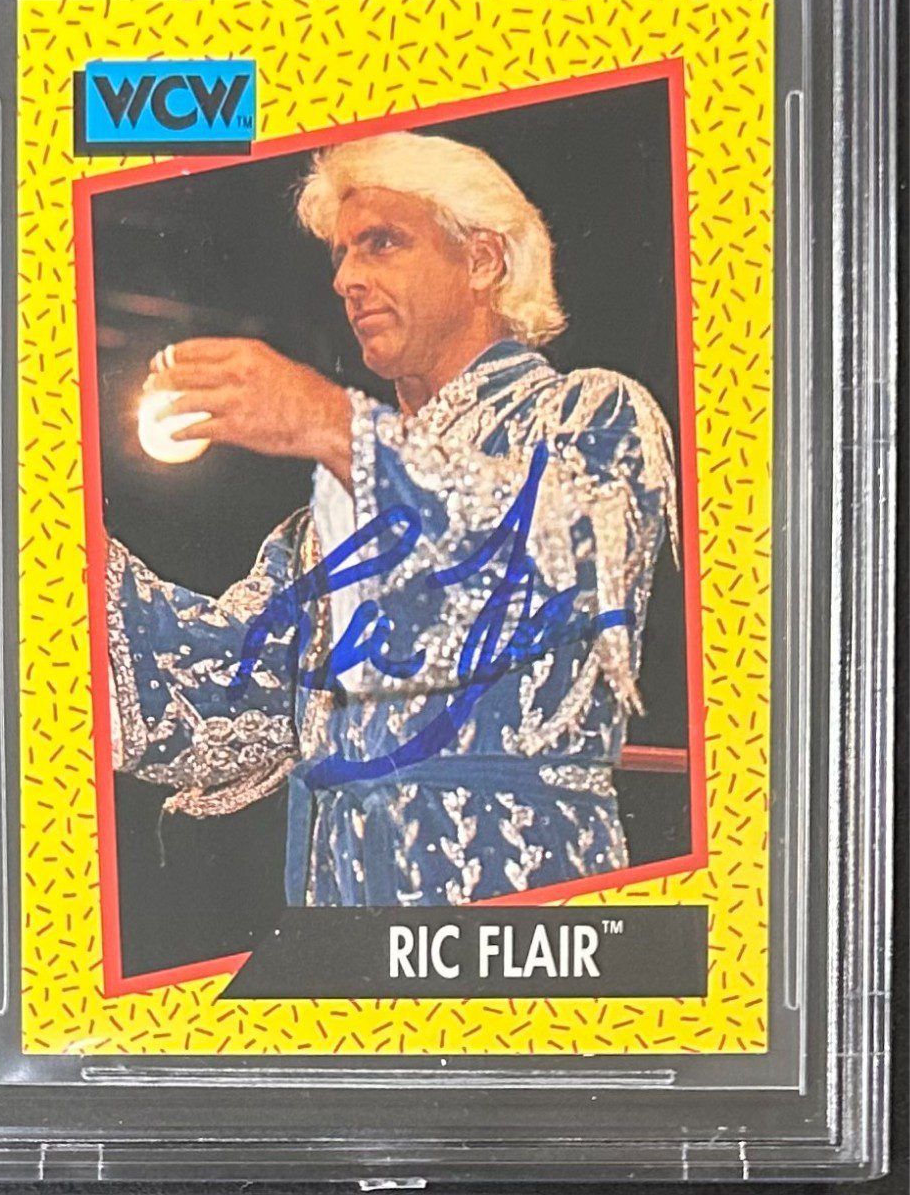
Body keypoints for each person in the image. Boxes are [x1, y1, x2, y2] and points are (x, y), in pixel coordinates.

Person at [105, 131, 677, 908]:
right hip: (342, 913)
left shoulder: (588, 413)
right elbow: (216, 697)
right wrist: (65, 552)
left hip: (518, 902)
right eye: (342, 255)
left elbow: (552, 570)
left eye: (380, 243)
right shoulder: (323, 521)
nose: (345, 278)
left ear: (483, 260)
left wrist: (335, 426)